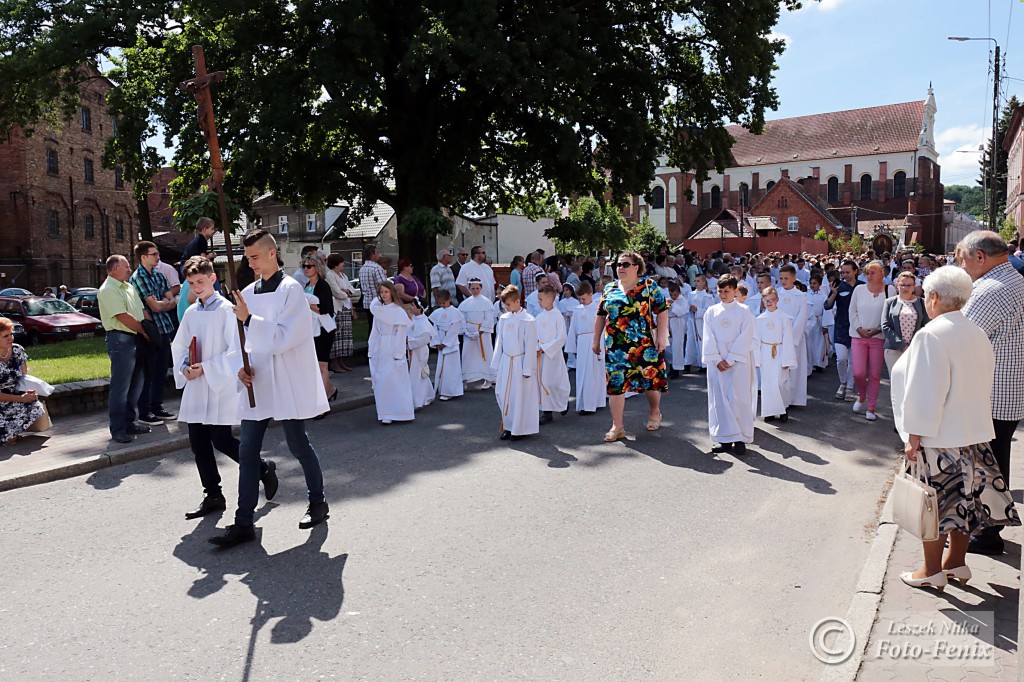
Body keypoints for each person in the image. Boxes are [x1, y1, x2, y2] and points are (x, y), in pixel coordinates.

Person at [892, 266, 1020, 590]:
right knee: (966, 501)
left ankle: (931, 569)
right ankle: (956, 563)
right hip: (974, 432)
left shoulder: (931, 334)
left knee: (934, 505)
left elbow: (925, 390)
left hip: (940, 435)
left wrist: (913, 437)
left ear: (933, 297)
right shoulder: (976, 332)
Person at [209, 229, 330, 548]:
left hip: (286, 379)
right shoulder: (247, 292)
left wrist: (250, 320)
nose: (251, 264)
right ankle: (244, 522)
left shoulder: (292, 291)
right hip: (259, 382)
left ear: (272, 254)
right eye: (247, 259)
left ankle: (317, 501)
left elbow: (286, 337)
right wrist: (240, 367)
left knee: (297, 443)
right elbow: (237, 339)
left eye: (255, 257)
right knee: (247, 450)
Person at [171, 257, 278, 520]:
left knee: (221, 439)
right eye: (192, 283)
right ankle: (213, 494)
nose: (197, 287)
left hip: (218, 383)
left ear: (212, 279)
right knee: (198, 442)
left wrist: (207, 368)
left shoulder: (227, 310)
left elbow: (235, 349)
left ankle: (262, 468)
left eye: (201, 281)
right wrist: (184, 365)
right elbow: (180, 345)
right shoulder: (190, 312)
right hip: (197, 384)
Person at [958, 231, 1024, 555]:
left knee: (986, 468)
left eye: (965, 260)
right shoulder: (1014, 279)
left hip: (991, 394)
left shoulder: (989, 290)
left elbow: (960, 339)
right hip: (1008, 392)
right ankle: (990, 530)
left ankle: (986, 533)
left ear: (980, 257)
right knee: (996, 463)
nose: (963, 267)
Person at [594, 251, 669, 442]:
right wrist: (596, 340)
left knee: (650, 381)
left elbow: (662, 311)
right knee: (616, 385)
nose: (620, 268)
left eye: (625, 264)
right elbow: (601, 315)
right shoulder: (609, 288)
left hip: (644, 344)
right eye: (618, 265)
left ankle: (654, 412)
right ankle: (617, 426)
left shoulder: (649, 286)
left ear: (636, 267)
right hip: (616, 347)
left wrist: (661, 335)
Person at [97, 255, 150, 443]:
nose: (130, 269)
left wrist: (150, 328)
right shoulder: (108, 289)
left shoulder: (128, 287)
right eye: (126, 266)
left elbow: (141, 311)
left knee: (136, 384)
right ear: (114, 269)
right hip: (120, 339)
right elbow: (122, 316)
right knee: (121, 387)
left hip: (135, 338)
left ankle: (129, 422)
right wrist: (144, 330)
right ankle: (118, 428)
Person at [702, 275, 756, 455]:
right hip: (717, 361)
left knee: (738, 398)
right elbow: (708, 336)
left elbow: (746, 336)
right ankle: (724, 438)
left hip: (737, 360)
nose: (723, 294)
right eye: (720, 291)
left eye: (727, 291)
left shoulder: (744, 311)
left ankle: (740, 438)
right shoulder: (711, 311)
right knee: (719, 399)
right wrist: (716, 359)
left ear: (735, 291)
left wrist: (731, 358)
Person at [130, 241, 178, 426]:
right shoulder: (138, 278)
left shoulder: (158, 274)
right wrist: (164, 303)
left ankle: (157, 406)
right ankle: (145, 411)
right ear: (143, 257)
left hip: (165, 328)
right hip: (150, 331)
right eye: (154, 254)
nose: (158, 257)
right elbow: (156, 306)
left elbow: (170, 299)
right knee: (149, 372)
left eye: (157, 254)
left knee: (161, 371)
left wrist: (163, 303)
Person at [491, 285, 539, 440]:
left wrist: (527, 369)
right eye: (504, 304)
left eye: (509, 304)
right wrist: (496, 363)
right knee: (504, 394)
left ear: (518, 301)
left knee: (519, 397)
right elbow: (500, 342)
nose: (506, 307)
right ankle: (509, 425)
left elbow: (530, 346)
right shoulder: (504, 319)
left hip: (520, 362)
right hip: (506, 362)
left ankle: (520, 429)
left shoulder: (528, 320)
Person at [848, 262, 892, 422]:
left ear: (882, 273)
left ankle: (871, 407)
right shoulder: (859, 290)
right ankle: (861, 395)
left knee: (874, 374)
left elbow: (890, 314)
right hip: (858, 336)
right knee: (858, 372)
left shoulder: (890, 290)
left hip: (878, 338)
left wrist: (877, 329)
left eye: (873, 272)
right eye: (867, 273)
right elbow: (852, 311)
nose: (869, 275)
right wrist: (859, 328)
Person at [368, 282, 415, 425]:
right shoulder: (379, 310)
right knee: (382, 380)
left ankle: (401, 412)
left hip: (393, 345)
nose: (383, 295)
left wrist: (399, 353)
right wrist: (372, 348)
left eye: (386, 292)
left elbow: (401, 332)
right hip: (382, 347)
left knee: (396, 380)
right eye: (381, 292)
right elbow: (375, 330)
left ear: (392, 293)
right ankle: (385, 412)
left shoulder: (398, 311)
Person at [753, 287, 796, 423]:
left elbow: (788, 338)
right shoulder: (759, 319)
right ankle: (769, 411)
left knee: (780, 382)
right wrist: (757, 358)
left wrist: (787, 359)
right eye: (767, 300)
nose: (769, 302)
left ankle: (783, 408)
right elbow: (756, 340)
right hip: (766, 352)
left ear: (777, 300)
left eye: (772, 300)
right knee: (767, 383)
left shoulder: (784, 318)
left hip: (780, 351)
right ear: (763, 301)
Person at [0, 317, 45, 445]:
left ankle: (11, 432)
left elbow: (24, 377)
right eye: (5, 336)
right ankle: (9, 434)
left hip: (14, 396)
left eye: (11, 334)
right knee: (8, 437)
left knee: (36, 407)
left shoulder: (17, 350)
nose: (10, 338)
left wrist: (29, 392)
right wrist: (21, 399)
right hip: (2, 400)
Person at [302, 254, 337, 404]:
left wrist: (306, 304)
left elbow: (325, 308)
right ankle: (330, 389)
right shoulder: (306, 286)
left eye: (309, 266)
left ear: (317, 267)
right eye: (304, 266)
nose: (306, 269)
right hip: (311, 329)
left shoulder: (323, 285)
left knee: (323, 364)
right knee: (316, 364)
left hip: (324, 328)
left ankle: (323, 400)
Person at [566, 282, 605, 415]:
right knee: (583, 373)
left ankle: (594, 403)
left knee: (595, 373)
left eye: (584, 298)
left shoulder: (598, 308)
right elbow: (573, 329)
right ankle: (585, 403)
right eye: (580, 299)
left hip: (595, 341)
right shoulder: (577, 310)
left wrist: (601, 344)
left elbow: (603, 328)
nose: (582, 301)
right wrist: (573, 348)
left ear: (590, 294)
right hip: (582, 343)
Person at [825, 260, 861, 401]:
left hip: (858, 328)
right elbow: (827, 306)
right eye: (843, 272)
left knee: (853, 361)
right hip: (841, 326)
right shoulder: (838, 286)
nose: (845, 275)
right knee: (841, 359)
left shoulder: (862, 287)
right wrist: (834, 293)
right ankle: (843, 383)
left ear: (855, 271)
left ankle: (850, 388)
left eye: (848, 272)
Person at [881, 271, 928, 378]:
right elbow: (885, 326)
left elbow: (926, 325)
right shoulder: (890, 302)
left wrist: (914, 345)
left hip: (915, 349)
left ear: (914, 286)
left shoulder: (922, 302)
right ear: (897, 285)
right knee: (896, 383)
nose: (905, 288)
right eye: (902, 285)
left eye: (909, 285)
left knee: (912, 383)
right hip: (893, 350)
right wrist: (902, 346)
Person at [535, 285, 570, 424]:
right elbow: (535, 336)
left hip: (553, 355)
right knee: (542, 382)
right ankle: (546, 412)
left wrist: (545, 348)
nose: (539, 301)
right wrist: (536, 347)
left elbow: (561, 337)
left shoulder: (557, 316)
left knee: (555, 382)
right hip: (541, 355)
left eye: (541, 299)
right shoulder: (539, 317)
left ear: (550, 299)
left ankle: (562, 403)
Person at [775, 265, 808, 407]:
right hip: (777, 338)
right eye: (781, 278)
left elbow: (802, 318)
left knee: (793, 369)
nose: (783, 281)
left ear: (794, 279)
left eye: (786, 278)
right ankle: (779, 398)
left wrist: (791, 337)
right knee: (779, 371)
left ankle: (793, 398)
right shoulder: (776, 294)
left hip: (794, 339)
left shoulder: (801, 296)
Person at [458, 278, 496, 388]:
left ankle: (488, 378)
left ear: (481, 288)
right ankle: (465, 378)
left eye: (477, 288)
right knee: (467, 355)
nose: (475, 290)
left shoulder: (486, 302)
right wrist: (466, 331)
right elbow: (462, 318)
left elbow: (489, 318)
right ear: (469, 289)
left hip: (482, 333)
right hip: (469, 333)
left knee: (486, 354)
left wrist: (481, 331)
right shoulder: (465, 304)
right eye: (473, 288)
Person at [428, 289, 464, 401]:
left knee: (451, 368)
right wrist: (437, 341)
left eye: (444, 303)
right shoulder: (437, 313)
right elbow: (434, 328)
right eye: (440, 303)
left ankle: (451, 390)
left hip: (451, 343)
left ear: (449, 300)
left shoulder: (456, 313)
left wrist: (445, 343)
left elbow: (454, 330)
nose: (442, 305)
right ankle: (441, 388)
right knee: (441, 367)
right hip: (440, 341)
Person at [325, 253, 356, 373]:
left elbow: (351, 289)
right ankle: (335, 362)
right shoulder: (330, 275)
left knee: (345, 336)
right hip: (338, 309)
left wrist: (347, 291)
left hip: (346, 308)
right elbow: (336, 293)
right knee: (338, 336)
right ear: (336, 263)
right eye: (341, 262)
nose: (343, 264)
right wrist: (345, 293)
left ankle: (342, 361)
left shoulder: (343, 275)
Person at [407, 301, 435, 410]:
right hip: (412, 350)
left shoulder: (424, 321)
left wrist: (409, 342)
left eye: (413, 305)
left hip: (420, 350)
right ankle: (428, 394)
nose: (410, 307)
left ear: (420, 308)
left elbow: (425, 339)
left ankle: (417, 400)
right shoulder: (413, 319)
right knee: (418, 373)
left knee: (418, 372)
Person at [684, 274, 715, 372]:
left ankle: (704, 365)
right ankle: (688, 363)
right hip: (692, 321)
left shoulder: (708, 297)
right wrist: (689, 309)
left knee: (702, 342)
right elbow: (686, 306)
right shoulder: (691, 294)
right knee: (690, 343)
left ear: (703, 282)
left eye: (698, 281)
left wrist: (698, 310)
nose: (696, 283)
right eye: (695, 281)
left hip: (701, 322)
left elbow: (709, 311)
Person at [358, 244, 388, 332]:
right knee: (380, 328)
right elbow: (384, 285)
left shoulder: (362, 269)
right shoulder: (376, 268)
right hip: (378, 302)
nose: (378, 255)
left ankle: (371, 344)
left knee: (371, 326)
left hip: (367, 302)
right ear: (372, 254)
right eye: (377, 253)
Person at [805, 275, 829, 373]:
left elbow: (827, 310)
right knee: (810, 343)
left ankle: (819, 362)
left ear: (820, 284)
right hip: (809, 321)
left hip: (819, 320)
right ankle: (810, 363)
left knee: (819, 343)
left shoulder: (823, 296)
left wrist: (825, 324)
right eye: (811, 283)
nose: (812, 285)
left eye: (815, 283)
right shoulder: (806, 295)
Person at [666, 281, 689, 378]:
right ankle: (671, 366)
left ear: (679, 292)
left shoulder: (683, 301)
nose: (673, 296)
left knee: (677, 346)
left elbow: (681, 312)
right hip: (668, 323)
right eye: (671, 294)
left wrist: (674, 305)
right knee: (669, 347)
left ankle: (677, 369)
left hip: (678, 323)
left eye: (675, 294)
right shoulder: (667, 299)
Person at [557, 284, 578, 370]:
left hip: (572, 322)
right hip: (565, 323)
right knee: (567, 342)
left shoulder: (575, 302)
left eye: (567, 290)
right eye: (564, 290)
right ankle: (570, 362)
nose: (566, 292)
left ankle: (576, 361)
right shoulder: (561, 302)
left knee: (574, 341)